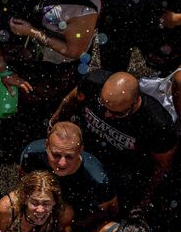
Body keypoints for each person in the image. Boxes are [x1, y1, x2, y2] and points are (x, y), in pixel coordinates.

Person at [50, 70, 177, 210]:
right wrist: (55, 122)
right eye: (103, 104)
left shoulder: (157, 124)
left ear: (135, 101)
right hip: (85, 148)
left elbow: (161, 166)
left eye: (117, 112)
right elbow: (71, 98)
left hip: (121, 169)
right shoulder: (94, 82)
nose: (107, 114)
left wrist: (145, 199)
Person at [2, 0, 101, 110]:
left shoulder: (84, 13)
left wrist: (33, 32)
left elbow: (73, 52)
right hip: (38, 40)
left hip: (55, 63)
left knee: (39, 98)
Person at [20, 121, 118, 230]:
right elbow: (22, 184)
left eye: (69, 156)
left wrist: (74, 226)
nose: (62, 163)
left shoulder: (97, 178)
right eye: (56, 155)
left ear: (80, 151)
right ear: (47, 145)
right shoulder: (32, 154)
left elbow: (110, 210)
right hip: (39, 203)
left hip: (77, 218)